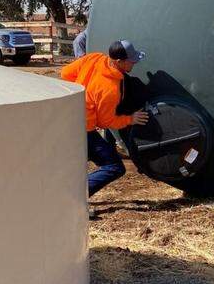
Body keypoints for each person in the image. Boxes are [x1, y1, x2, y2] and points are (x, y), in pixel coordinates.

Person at [59, 39, 150, 214]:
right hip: (83, 128)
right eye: (131, 61)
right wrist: (130, 119)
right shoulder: (110, 89)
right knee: (114, 166)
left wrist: (82, 92)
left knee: (73, 163)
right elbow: (106, 122)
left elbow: (65, 73)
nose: (134, 63)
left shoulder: (94, 58)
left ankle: (59, 195)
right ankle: (73, 199)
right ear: (118, 62)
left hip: (67, 118)